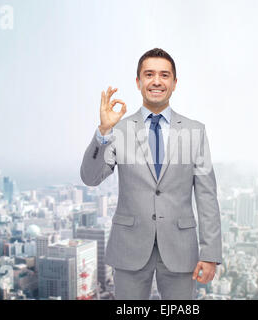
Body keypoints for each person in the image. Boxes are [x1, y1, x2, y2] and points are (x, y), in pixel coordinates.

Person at [80, 48, 222, 300]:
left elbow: (207, 196)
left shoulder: (195, 131)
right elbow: (90, 178)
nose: (157, 81)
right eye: (149, 74)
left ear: (174, 83)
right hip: (129, 246)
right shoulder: (118, 129)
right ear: (138, 82)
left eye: (164, 75)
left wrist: (210, 254)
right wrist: (103, 130)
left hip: (180, 248)